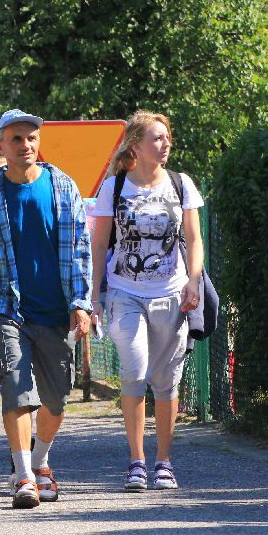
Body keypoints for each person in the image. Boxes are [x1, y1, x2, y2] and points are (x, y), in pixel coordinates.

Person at [0, 109, 92, 509]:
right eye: (16, 139)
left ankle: (40, 462)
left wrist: (81, 304)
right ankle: (23, 476)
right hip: (7, 309)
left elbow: (81, 250)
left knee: (56, 401)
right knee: (17, 391)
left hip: (55, 310)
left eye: (31, 138)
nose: (25, 145)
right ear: (1, 145)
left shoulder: (62, 186)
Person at [89, 111, 203, 492]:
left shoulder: (181, 184)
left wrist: (193, 280)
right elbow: (100, 244)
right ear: (136, 145)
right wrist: (93, 293)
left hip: (171, 293)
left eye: (167, 137)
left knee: (166, 382)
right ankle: (136, 462)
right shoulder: (114, 187)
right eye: (156, 138)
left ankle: (164, 462)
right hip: (125, 293)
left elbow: (194, 238)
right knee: (135, 372)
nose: (165, 143)